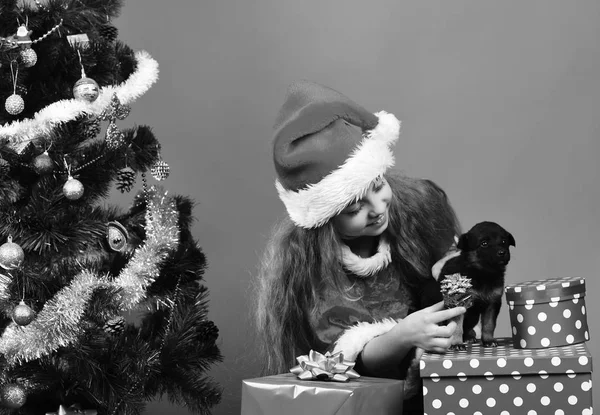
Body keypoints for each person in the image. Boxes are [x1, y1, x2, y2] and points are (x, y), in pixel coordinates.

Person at [255, 80, 466, 413]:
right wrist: (403, 336)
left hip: (433, 387)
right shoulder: (311, 268)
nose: (378, 208)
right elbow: (346, 362)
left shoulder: (420, 213)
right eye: (355, 209)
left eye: (379, 185)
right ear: (326, 218)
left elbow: (454, 283)